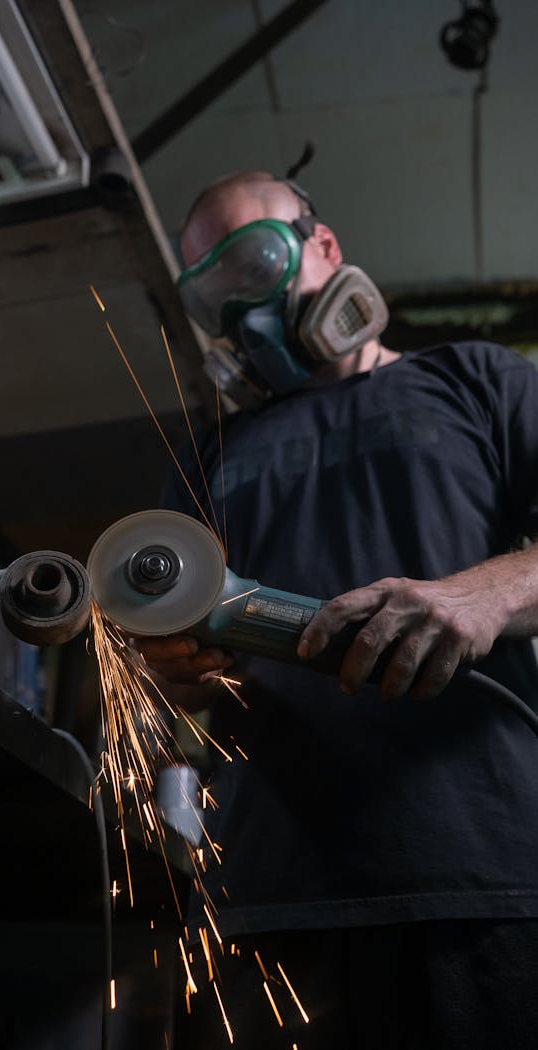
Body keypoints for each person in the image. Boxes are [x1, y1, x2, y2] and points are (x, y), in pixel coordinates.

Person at [135, 170, 538, 1049]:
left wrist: (489, 589)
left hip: (483, 875)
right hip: (272, 895)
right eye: (214, 296)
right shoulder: (211, 451)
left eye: (253, 270)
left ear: (322, 248)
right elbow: (171, 673)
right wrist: (170, 670)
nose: (242, 315)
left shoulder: (478, 381)